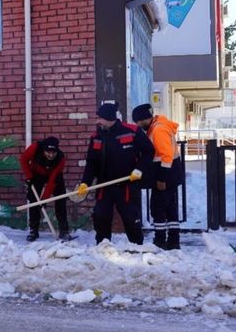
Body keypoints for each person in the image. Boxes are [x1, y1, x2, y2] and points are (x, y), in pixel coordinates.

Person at [76, 103, 154, 244]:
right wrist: (85, 182)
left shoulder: (132, 131)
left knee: (130, 218)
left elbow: (149, 152)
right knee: (100, 216)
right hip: (104, 186)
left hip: (127, 185)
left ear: (109, 118)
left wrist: (140, 169)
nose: (98, 121)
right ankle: (103, 245)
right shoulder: (96, 137)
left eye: (100, 118)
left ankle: (137, 247)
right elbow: (91, 164)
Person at [132, 103, 183, 250]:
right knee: (169, 208)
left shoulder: (158, 130)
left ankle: (160, 240)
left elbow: (166, 156)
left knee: (157, 207)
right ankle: (174, 240)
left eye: (138, 121)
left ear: (144, 119)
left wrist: (161, 179)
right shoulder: (158, 126)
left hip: (166, 175)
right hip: (172, 173)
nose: (137, 125)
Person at [19, 136, 71, 241]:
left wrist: (44, 199)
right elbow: (23, 160)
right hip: (37, 174)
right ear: (43, 150)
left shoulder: (60, 158)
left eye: (53, 153)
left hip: (54, 176)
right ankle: (34, 230)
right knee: (34, 200)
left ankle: (64, 230)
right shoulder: (35, 148)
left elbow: (52, 181)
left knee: (60, 200)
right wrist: (29, 177)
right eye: (48, 152)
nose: (51, 155)